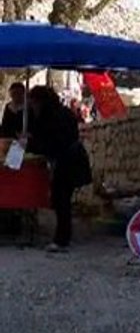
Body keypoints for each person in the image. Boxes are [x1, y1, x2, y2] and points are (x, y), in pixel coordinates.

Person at [23, 85, 93, 252]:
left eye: (34, 103)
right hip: (71, 159)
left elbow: (52, 143)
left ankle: (62, 240)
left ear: (40, 101)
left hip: (68, 161)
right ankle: (62, 237)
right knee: (62, 199)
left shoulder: (53, 117)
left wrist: (30, 143)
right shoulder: (62, 113)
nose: (32, 107)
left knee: (62, 200)